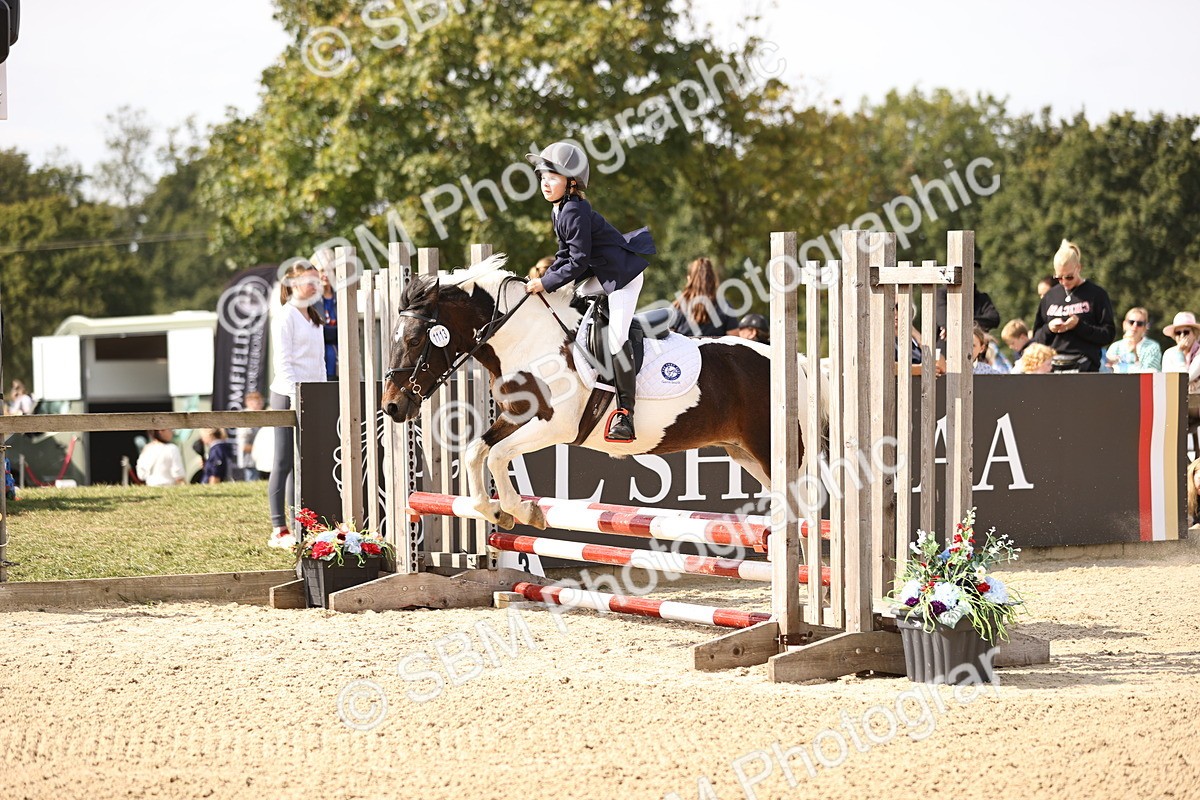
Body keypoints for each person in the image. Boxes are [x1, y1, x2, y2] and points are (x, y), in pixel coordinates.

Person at [524, 141, 656, 443]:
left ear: (571, 182)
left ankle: (626, 414)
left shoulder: (574, 211)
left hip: (622, 277)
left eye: (553, 177)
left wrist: (546, 283)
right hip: (601, 275)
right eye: (543, 175)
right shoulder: (559, 210)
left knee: (616, 339)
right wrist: (548, 281)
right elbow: (563, 257)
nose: (545, 182)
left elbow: (579, 260)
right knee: (570, 304)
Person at [268, 260, 327, 547]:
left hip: (312, 396)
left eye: (317, 279)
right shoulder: (285, 315)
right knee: (283, 461)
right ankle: (279, 528)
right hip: (287, 395)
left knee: (305, 463)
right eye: (308, 279)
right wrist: (295, 397)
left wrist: (322, 393)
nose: (315, 284)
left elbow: (320, 362)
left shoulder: (315, 318)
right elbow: (284, 363)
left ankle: (300, 524)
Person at [1031, 239, 1115, 372]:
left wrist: (1078, 325)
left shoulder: (1096, 294)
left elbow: (1108, 334)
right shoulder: (1050, 296)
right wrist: (1050, 328)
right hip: (1053, 367)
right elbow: (1036, 337)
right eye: (1059, 278)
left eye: (1069, 277)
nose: (1064, 282)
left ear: (1079, 268)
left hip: (1085, 367)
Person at [669, 257, 740, 338]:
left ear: (689, 279)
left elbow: (669, 342)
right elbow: (734, 341)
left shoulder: (677, 307)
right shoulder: (725, 306)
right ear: (713, 279)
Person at [1106, 307, 1162, 374]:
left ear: (1145, 328)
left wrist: (1135, 352)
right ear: (1124, 324)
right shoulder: (1115, 346)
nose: (1135, 326)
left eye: (1139, 323)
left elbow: (1151, 373)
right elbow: (1107, 371)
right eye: (1131, 322)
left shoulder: (1152, 347)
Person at [1162, 311, 1200, 394]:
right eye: (1178, 333)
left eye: (1186, 332)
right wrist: (1179, 352)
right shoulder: (1169, 354)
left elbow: (1185, 377)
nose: (1182, 336)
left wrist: (1187, 381)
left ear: (1194, 334)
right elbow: (1167, 381)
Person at [236, 391, 265, 481]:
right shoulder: (246, 417)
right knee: (252, 479)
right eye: (257, 402)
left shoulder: (259, 416)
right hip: (249, 459)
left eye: (261, 402)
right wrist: (261, 449)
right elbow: (243, 445)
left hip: (258, 457)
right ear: (249, 402)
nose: (260, 405)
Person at [319, 262, 338, 381]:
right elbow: (317, 333)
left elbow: (354, 331)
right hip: (321, 365)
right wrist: (340, 332)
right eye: (321, 270)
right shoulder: (312, 301)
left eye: (329, 270)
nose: (325, 274)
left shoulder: (343, 297)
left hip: (342, 365)